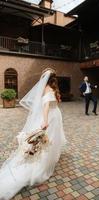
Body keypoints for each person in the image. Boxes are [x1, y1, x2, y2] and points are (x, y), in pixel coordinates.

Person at [0, 68, 66, 200]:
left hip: (54, 116)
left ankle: (46, 157)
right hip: (52, 117)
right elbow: (46, 105)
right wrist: (45, 121)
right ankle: (42, 163)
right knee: (48, 140)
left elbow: (46, 104)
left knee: (50, 139)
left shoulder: (45, 88)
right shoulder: (50, 89)